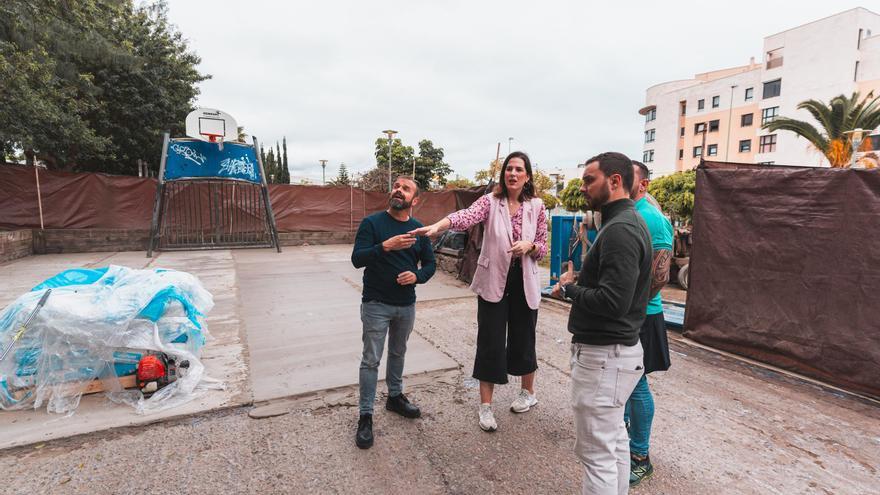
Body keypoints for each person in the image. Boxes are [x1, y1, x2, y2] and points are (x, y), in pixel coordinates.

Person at [410, 151, 548, 432]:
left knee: (524, 339)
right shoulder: (491, 202)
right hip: (493, 281)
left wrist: (529, 247)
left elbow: (543, 246)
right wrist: (439, 225)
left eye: (518, 169)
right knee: (490, 341)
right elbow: (465, 216)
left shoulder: (537, 206)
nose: (512, 173)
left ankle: (528, 394)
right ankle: (486, 407)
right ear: (504, 174)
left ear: (527, 176)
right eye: (509, 169)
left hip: (524, 282)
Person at [553, 151, 652, 495]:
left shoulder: (621, 229)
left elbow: (612, 302)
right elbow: (616, 287)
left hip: (603, 357)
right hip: (613, 354)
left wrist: (570, 290)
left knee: (597, 455)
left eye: (588, 180)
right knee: (613, 445)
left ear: (614, 181)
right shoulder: (622, 223)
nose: (582, 188)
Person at [350, 176, 436, 449]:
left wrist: (417, 276)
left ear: (415, 200)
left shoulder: (418, 229)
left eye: (405, 188)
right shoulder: (372, 223)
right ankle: (366, 415)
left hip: (406, 305)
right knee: (371, 360)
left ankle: (395, 397)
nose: (398, 190)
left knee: (398, 353)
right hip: (376, 303)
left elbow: (430, 265)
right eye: (396, 186)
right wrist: (385, 246)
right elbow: (357, 259)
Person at [624, 161, 674, 486]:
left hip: (642, 316)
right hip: (624, 315)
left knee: (635, 384)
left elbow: (661, 273)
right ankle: (623, 444)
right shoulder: (626, 215)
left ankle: (640, 457)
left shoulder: (652, 218)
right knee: (623, 383)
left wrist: (634, 305)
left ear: (642, 184)